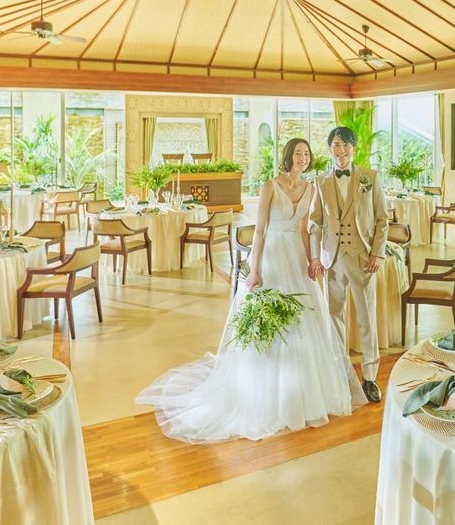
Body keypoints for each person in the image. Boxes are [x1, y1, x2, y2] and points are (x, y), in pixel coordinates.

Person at [136, 138, 365, 443]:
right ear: (289, 156)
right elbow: (260, 230)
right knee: (272, 321)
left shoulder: (310, 188)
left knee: (303, 321)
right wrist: (254, 269)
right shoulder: (271, 186)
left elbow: (304, 229)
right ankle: (263, 393)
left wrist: (312, 259)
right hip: (272, 256)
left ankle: (301, 394)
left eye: (306, 154)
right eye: (298, 153)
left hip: (297, 257)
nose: (302, 158)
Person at [308, 126, 388, 403]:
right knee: (334, 317)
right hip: (332, 260)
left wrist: (377, 253)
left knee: (367, 319)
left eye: (345, 146)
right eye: (336, 145)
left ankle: (370, 377)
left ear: (353, 148)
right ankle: (341, 372)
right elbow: (315, 222)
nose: (341, 151)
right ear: (330, 149)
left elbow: (382, 220)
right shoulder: (321, 181)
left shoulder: (370, 177)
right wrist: (316, 257)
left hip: (362, 258)